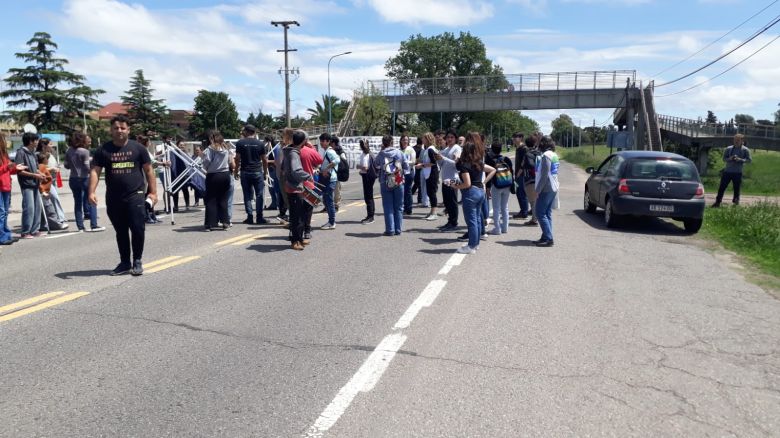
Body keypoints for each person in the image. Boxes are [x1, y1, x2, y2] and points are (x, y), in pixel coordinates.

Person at [89, 115, 157, 276]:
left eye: (122, 128)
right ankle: (125, 262)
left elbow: (149, 170)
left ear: (128, 130)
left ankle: (137, 260)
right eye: (116, 128)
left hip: (136, 195)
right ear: (111, 130)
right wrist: (91, 191)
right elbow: (95, 171)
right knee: (121, 231)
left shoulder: (138, 148)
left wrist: (153, 192)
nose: (119, 131)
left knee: (137, 228)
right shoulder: (103, 150)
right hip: (114, 197)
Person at [450, 134, 495, 254]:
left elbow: (467, 183)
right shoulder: (478, 162)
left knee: (471, 221)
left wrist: (455, 186)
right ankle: (475, 244)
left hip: (470, 193)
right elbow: (493, 170)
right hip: (480, 191)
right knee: (477, 219)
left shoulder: (464, 165)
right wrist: (484, 182)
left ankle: (471, 246)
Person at [65, 131, 105, 232]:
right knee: (92, 200)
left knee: (77, 203)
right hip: (84, 178)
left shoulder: (69, 151)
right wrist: (93, 169)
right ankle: (94, 225)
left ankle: (80, 227)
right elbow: (87, 167)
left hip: (73, 178)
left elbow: (66, 165)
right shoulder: (84, 151)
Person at [281, 130, 314, 250]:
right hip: (294, 188)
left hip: (292, 186)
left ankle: (299, 239)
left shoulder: (289, 150)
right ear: (303, 142)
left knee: (298, 215)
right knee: (297, 216)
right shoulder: (294, 154)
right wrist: (308, 176)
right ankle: (295, 241)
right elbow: (296, 171)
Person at [234, 124, 269, 225]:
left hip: (245, 172)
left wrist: (236, 171)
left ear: (247, 131)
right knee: (259, 195)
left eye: (244, 131)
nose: (243, 132)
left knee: (247, 195)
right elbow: (264, 160)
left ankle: (249, 217)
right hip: (257, 171)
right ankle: (259, 217)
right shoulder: (260, 143)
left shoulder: (240, 143)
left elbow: (237, 158)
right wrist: (265, 172)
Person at [374, 134, 408, 236]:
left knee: (388, 206)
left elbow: (376, 164)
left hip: (385, 181)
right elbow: (406, 166)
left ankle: (390, 229)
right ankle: (398, 229)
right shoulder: (399, 152)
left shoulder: (381, 154)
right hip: (398, 180)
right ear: (392, 142)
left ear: (383, 143)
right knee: (399, 206)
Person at [200, 129, 234, 232]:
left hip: (213, 175)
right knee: (223, 198)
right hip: (225, 174)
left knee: (211, 199)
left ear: (211, 138)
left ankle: (209, 223)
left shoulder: (210, 149)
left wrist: (204, 160)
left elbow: (206, 162)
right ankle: (225, 222)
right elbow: (230, 161)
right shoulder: (226, 148)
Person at [15, 132, 46, 239]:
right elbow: (19, 171)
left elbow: (36, 167)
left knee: (37, 208)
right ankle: (25, 231)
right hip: (27, 184)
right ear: (30, 141)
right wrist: (34, 175)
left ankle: (35, 230)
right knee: (29, 208)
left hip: (35, 184)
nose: (37, 142)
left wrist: (40, 173)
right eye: (35, 140)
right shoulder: (21, 153)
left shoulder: (33, 153)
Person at [712, 134, 752, 207]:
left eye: (738, 140)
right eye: (735, 140)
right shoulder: (729, 148)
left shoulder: (745, 150)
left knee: (736, 188)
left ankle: (735, 203)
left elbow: (749, 160)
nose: (736, 141)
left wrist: (740, 160)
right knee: (722, 187)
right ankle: (717, 202)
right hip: (727, 171)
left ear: (742, 141)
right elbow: (724, 159)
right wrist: (730, 159)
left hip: (737, 172)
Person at [534, 136, 560, 247]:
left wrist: (537, 190)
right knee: (547, 213)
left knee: (540, 213)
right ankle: (546, 236)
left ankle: (549, 238)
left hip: (546, 187)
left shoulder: (546, 156)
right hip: (553, 186)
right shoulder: (554, 154)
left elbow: (544, 175)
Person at [1, 133, 26, 245]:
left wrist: (16, 168)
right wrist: (8, 167)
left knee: (5, 212)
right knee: (1, 212)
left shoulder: (3, 155)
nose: (6, 141)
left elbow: (7, 170)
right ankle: (2, 237)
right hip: (1, 186)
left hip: (6, 185)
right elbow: (4, 169)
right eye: (4, 139)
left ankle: (6, 234)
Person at [486, 140, 514, 235]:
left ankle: (497, 229)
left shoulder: (490, 160)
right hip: (507, 185)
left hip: (496, 186)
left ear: (492, 150)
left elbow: (488, 175)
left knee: (496, 208)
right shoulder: (506, 159)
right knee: (505, 207)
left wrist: (488, 188)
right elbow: (512, 173)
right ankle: (505, 227)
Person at [36, 150, 68, 231]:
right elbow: (40, 182)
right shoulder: (42, 167)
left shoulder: (43, 167)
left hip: (46, 190)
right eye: (47, 159)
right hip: (44, 191)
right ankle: (56, 225)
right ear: (44, 160)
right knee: (49, 209)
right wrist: (43, 191)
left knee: (44, 210)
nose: (48, 160)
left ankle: (43, 226)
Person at [437, 129, 462, 232]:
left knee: (452, 202)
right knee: (447, 202)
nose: (449, 139)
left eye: (452, 137)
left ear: (455, 138)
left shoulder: (457, 148)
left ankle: (454, 222)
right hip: (445, 179)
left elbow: (456, 163)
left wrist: (443, 157)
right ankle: (450, 221)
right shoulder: (447, 149)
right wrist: (439, 158)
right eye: (448, 137)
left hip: (453, 178)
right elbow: (442, 164)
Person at [416, 132, 439, 221]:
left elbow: (433, 162)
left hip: (432, 174)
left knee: (432, 193)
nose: (422, 140)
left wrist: (421, 165)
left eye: (424, 138)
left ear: (428, 139)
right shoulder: (428, 149)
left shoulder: (430, 149)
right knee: (429, 192)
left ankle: (434, 213)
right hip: (428, 173)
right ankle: (432, 211)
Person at [319, 133, 340, 230]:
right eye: (321, 141)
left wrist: (326, 169)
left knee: (329, 201)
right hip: (328, 179)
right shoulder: (326, 151)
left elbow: (337, 160)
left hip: (330, 179)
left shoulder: (329, 151)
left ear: (328, 142)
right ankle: (331, 221)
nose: (322, 143)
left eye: (324, 141)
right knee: (326, 200)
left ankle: (332, 222)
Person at [520, 135, 540, 226]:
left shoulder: (527, 154)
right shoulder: (539, 153)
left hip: (529, 179)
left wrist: (517, 175)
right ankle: (536, 217)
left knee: (532, 201)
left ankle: (534, 219)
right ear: (535, 143)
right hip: (539, 178)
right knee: (537, 200)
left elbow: (523, 166)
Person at [357, 139, 376, 224]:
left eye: (364, 145)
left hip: (368, 177)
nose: (363, 146)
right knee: (367, 196)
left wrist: (359, 167)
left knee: (369, 197)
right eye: (362, 145)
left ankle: (371, 216)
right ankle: (369, 215)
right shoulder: (364, 154)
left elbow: (366, 167)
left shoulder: (368, 155)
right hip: (365, 176)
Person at [169, 139, 191, 213]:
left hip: (184, 174)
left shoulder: (186, 153)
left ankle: (187, 205)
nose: (182, 146)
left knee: (185, 190)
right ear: (177, 145)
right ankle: (176, 206)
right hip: (176, 174)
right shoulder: (173, 152)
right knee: (175, 190)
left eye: (183, 145)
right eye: (180, 145)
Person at [511, 132, 529, 219]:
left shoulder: (524, 148)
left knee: (522, 193)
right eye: (513, 137)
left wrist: (519, 172)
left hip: (522, 174)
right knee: (518, 193)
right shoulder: (518, 148)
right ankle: (523, 210)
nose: (513, 138)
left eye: (515, 137)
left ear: (521, 138)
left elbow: (524, 161)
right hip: (518, 174)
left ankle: (524, 212)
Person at [400, 134, 416, 215]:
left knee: (408, 191)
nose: (405, 141)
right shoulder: (401, 150)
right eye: (403, 140)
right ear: (401, 141)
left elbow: (413, 162)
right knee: (403, 191)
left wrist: (404, 163)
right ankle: (405, 208)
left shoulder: (410, 149)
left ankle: (409, 209)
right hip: (402, 173)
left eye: (406, 140)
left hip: (409, 173)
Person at [331, 135, 346, 211]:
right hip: (330, 173)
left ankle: (336, 205)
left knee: (336, 190)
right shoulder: (330, 150)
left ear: (333, 143)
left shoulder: (340, 152)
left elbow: (343, 163)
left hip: (336, 174)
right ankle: (329, 205)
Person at [264, 135, 278, 210]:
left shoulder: (275, 149)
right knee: (271, 187)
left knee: (273, 187)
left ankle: (276, 203)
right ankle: (274, 202)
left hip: (274, 169)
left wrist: (268, 161)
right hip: (271, 169)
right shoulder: (269, 149)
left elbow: (277, 160)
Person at [411, 136, 424, 205]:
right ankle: (420, 200)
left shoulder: (412, 148)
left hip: (412, 168)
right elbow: (420, 159)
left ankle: (410, 194)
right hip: (418, 167)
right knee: (419, 184)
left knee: (416, 183)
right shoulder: (421, 150)